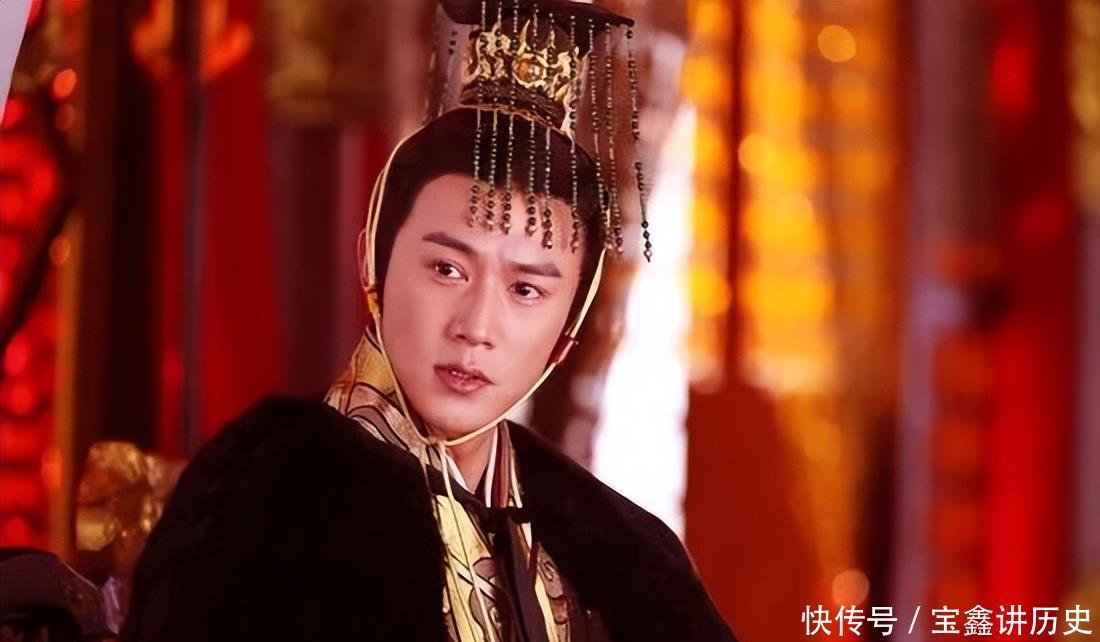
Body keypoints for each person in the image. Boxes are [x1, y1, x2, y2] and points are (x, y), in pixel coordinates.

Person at [121, 1, 737, 640]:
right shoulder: (269, 497)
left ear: (569, 326)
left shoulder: (615, 548)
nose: (476, 325)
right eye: (447, 269)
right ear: (373, 260)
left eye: (526, 289)